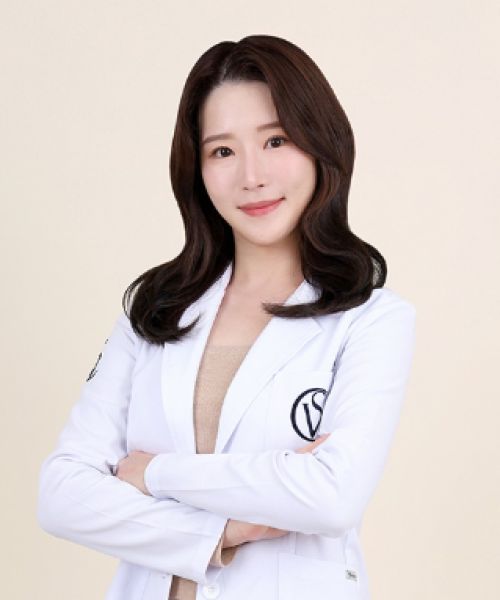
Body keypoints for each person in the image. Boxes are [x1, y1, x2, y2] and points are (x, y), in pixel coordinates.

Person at [38, 35, 416, 600]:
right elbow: (61, 494)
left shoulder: (372, 320)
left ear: (322, 144)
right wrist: (223, 530)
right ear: (197, 169)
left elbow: (331, 496)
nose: (251, 176)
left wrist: (153, 474)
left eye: (276, 140)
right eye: (222, 151)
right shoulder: (155, 311)